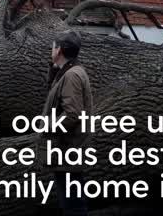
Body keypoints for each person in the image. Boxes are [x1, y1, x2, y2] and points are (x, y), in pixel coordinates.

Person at [39, 30, 93, 216]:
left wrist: (48, 128)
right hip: (67, 150)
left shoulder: (72, 76)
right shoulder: (66, 73)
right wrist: (54, 68)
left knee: (73, 205)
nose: (50, 50)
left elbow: (72, 114)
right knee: (71, 202)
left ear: (59, 49)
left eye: (53, 47)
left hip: (68, 149)